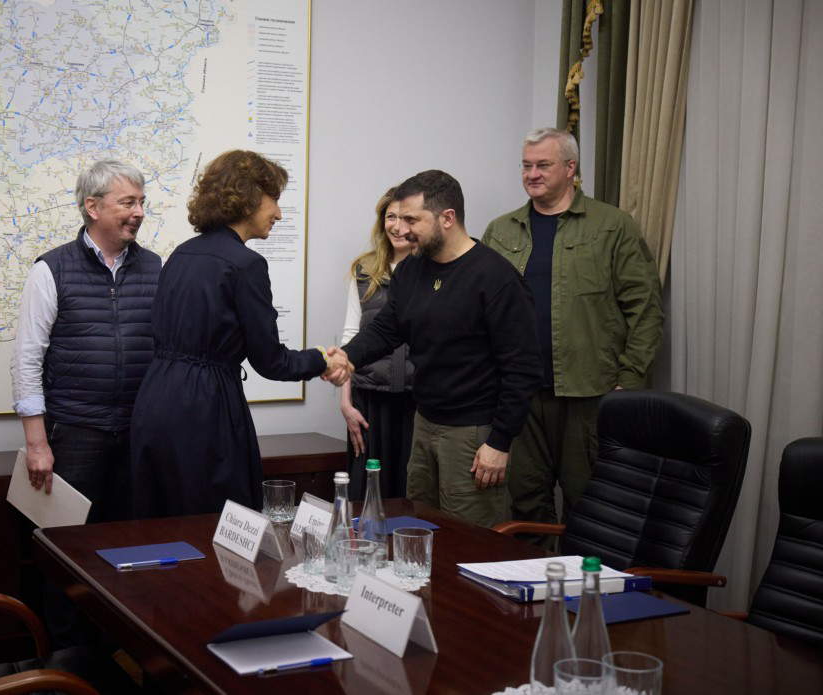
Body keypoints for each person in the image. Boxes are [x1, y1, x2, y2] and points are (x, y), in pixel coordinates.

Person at [130, 150, 351, 518]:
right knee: (217, 523)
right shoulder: (246, 264)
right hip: (206, 408)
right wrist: (322, 359)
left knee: (163, 520)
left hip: (155, 401)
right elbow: (271, 361)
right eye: (275, 199)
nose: (279, 213)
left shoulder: (181, 254)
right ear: (248, 197)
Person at [482, 127, 663, 535]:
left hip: (590, 393)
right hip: (521, 396)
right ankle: (528, 595)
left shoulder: (612, 226)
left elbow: (646, 310)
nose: (532, 174)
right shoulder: (502, 230)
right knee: (525, 507)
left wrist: (629, 382)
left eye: (543, 165)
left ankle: (586, 598)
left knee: (591, 503)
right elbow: (483, 312)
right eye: (526, 166)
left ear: (570, 168)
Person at [341, 170, 543, 528]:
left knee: (468, 540)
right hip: (425, 423)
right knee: (419, 528)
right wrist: (346, 358)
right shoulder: (412, 270)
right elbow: (388, 328)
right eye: (398, 218)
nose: (401, 230)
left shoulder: (495, 278)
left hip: (473, 433)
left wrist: (499, 442)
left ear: (447, 218)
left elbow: (523, 368)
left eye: (412, 219)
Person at [11, 159, 161, 522]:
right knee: (64, 544)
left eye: (141, 202)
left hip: (136, 433)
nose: (139, 212)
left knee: (130, 542)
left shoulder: (156, 267)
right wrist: (37, 444)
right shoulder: (51, 269)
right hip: (74, 434)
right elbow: (27, 358)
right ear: (92, 207)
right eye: (127, 202)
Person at [339, 187, 417, 500]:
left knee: (410, 489)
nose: (397, 226)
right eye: (391, 217)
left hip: (417, 400)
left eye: (407, 218)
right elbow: (349, 336)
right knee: (367, 490)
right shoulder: (364, 269)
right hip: (368, 399)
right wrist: (345, 402)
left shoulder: (433, 270)